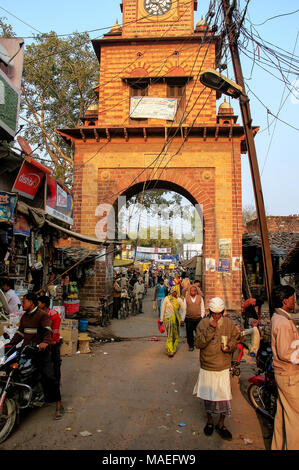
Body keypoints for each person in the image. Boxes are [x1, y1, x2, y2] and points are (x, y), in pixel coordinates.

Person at [9, 293, 63, 420]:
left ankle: (59, 404)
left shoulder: (42, 316)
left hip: (40, 352)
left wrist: (44, 342)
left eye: (24, 302)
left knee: (50, 376)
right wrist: (10, 345)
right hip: (27, 350)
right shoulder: (25, 317)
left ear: (31, 303)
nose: (22, 304)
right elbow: (20, 333)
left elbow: (48, 331)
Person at [193, 297, 239, 440]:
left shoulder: (229, 324)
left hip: (223, 366)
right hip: (208, 366)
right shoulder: (203, 324)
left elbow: (235, 339)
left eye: (219, 314)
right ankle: (210, 421)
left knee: (223, 397)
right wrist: (211, 329)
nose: (216, 316)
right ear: (210, 312)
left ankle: (221, 424)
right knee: (208, 397)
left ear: (223, 312)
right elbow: (198, 343)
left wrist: (229, 347)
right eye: (214, 313)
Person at [270, 285, 299, 450]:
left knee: (282, 416)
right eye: (293, 298)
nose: (294, 301)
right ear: (285, 300)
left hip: (283, 374)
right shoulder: (283, 322)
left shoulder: (279, 318)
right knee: (295, 419)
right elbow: (285, 353)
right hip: (289, 375)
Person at [37, 296, 62, 386]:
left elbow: (55, 332)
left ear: (44, 304)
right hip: (42, 343)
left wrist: (48, 342)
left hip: (53, 344)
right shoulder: (39, 315)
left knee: (55, 365)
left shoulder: (54, 315)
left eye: (38, 303)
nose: (37, 305)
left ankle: (56, 384)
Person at [160, 286, 186, 357]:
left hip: (176, 320)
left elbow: (184, 310)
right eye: (173, 291)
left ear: (177, 292)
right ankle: (170, 350)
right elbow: (163, 309)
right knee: (170, 335)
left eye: (175, 291)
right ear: (171, 291)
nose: (174, 293)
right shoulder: (167, 298)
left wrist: (182, 319)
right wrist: (161, 319)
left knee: (176, 335)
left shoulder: (179, 300)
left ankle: (173, 348)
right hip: (167, 319)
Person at [184, 286, 206, 351]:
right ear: (189, 292)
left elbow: (202, 308)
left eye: (194, 291)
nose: (192, 292)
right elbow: (184, 308)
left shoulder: (200, 298)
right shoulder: (186, 298)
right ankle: (191, 345)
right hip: (189, 318)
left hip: (198, 318)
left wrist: (201, 316)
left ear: (196, 292)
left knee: (198, 332)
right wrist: (182, 319)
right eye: (191, 291)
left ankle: (197, 343)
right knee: (189, 333)